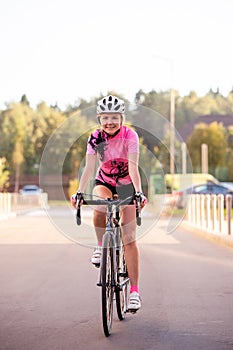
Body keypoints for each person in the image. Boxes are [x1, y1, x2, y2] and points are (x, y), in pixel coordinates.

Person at [71, 95, 147, 312]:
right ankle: (99, 247)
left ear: (122, 118)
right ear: (99, 119)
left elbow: (133, 167)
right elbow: (89, 167)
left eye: (114, 117)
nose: (110, 122)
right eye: (105, 118)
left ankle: (134, 292)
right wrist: (79, 190)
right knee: (99, 206)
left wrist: (139, 193)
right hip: (104, 181)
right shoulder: (95, 137)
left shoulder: (130, 135)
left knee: (129, 238)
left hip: (127, 185)